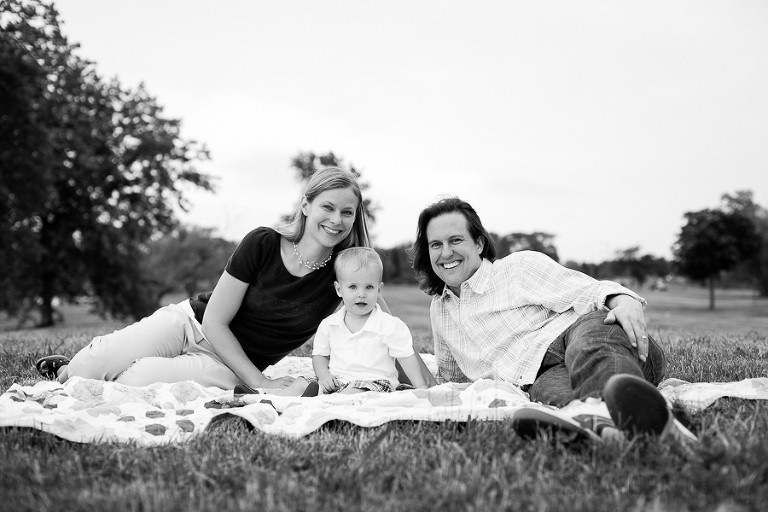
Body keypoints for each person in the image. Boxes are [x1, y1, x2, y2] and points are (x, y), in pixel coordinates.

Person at [37, 167, 435, 391]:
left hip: (232, 365)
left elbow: (388, 333)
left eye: (347, 213)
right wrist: (263, 383)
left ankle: (108, 377)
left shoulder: (346, 275)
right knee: (99, 360)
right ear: (306, 205)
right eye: (327, 207)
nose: (336, 220)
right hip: (190, 324)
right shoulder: (263, 242)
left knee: (139, 378)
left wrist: (430, 390)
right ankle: (64, 376)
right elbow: (214, 320)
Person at [410, 197, 674, 440]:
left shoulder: (518, 267)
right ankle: (635, 429)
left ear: (478, 244)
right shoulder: (440, 309)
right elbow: (451, 379)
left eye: (455, 240)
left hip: (585, 335)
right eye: (436, 244)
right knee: (559, 400)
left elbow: (588, 291)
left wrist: (624, 300)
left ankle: (614, 417)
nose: (445, 253)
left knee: (589, 345)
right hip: (538, 377)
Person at [249, 247, 429, 396]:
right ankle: (265, 398)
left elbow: (406, 357)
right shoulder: (329, 324)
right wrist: (324, 375)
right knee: (302, 383)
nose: (361, 293)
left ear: (379, 290)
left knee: (352, 393)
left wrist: (420, 386)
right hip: (337, 379)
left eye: (369, 287)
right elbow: (320, 356)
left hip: (373, 383)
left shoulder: (389, 325)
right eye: (353, 287)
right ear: (339, 289)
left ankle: (321, 403)